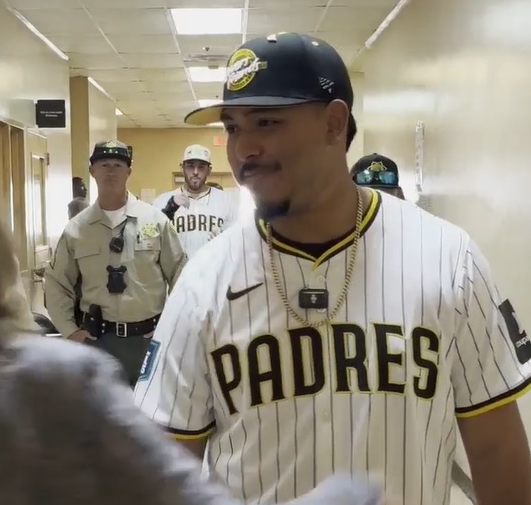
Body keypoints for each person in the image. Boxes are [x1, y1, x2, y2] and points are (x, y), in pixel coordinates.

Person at [0, 109, 383, 505]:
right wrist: (351, 491)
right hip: (97, 340)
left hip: (141, 335)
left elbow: (179, 275)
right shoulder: (44, 387)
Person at [134, 32, 531, 505]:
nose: (244, 150)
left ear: (334, 123)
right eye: (234, 127)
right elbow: (163, 468)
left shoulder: (449, 259)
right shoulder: (203, 283)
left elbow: (495, 450)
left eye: (266, 122)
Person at [45, 140, 186, 385]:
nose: (111, 171)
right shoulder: (77, 229)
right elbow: (57, 283)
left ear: (129, 172)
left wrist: (171, 324)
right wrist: (70, 331)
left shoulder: (156, 221)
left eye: (118, 165)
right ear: (92, 171)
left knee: (152, 413)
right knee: (101, 415)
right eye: (104, 164)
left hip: (149, 338)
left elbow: (181, 275)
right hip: (98, 341)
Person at [154, 144, 239, 257]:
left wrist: (226, 242)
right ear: (182, 168)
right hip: (177, 273)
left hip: (213, 271)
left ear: (209, 170)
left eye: (201, 167)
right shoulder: (163, 201)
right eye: (190, 166)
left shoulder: (227, 201)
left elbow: (238, 241)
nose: (195, 172)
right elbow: (152, 241)